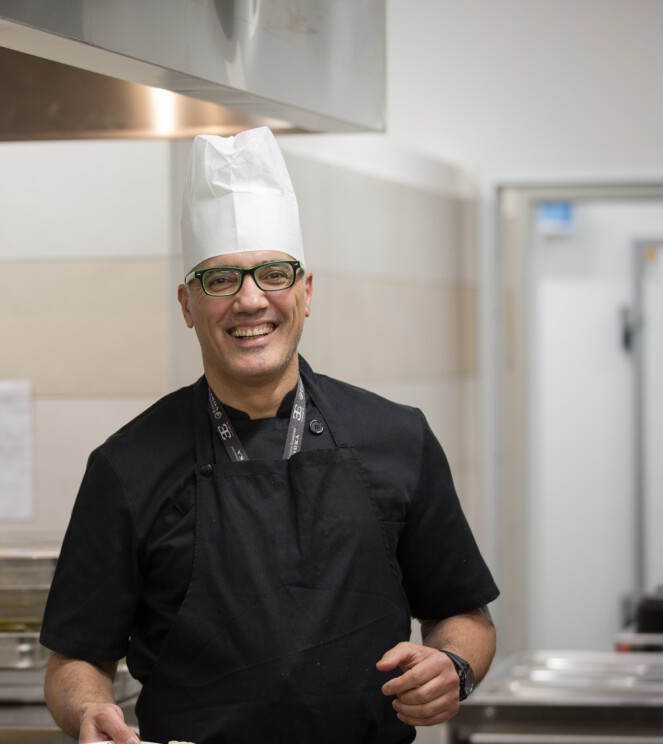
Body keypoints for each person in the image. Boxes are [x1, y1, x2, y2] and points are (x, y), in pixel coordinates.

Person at [40, 127, 499, 744]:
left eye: (274, 274)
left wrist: (455, 667)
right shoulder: (127, 465)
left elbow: (462, 614)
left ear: (306, 292)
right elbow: (76, 659)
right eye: (220, 280)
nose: (250, 300)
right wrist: (86, 712)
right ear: (186, 304)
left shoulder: (398, 437)